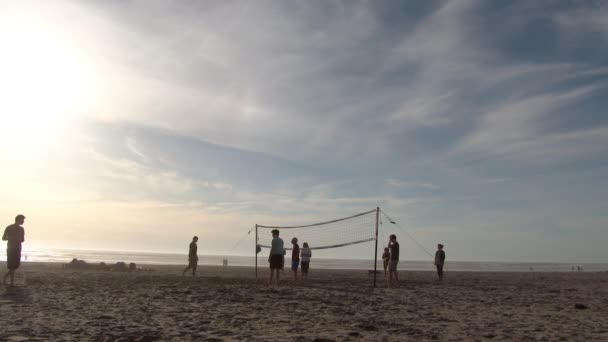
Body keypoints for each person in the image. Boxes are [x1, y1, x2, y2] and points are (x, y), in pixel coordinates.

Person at [3, 215, 25, 286]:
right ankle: (11, 282)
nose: (23, 221)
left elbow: (22, 239)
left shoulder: (21, 229)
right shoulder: (9, 227)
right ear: (18, 219)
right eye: (22, 220)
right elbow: (3, 238)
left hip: (18, 248)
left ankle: (5, 277)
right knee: (11, 265)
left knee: (16, 265)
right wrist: (11, 238)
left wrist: (18, 239)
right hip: (10, 248)